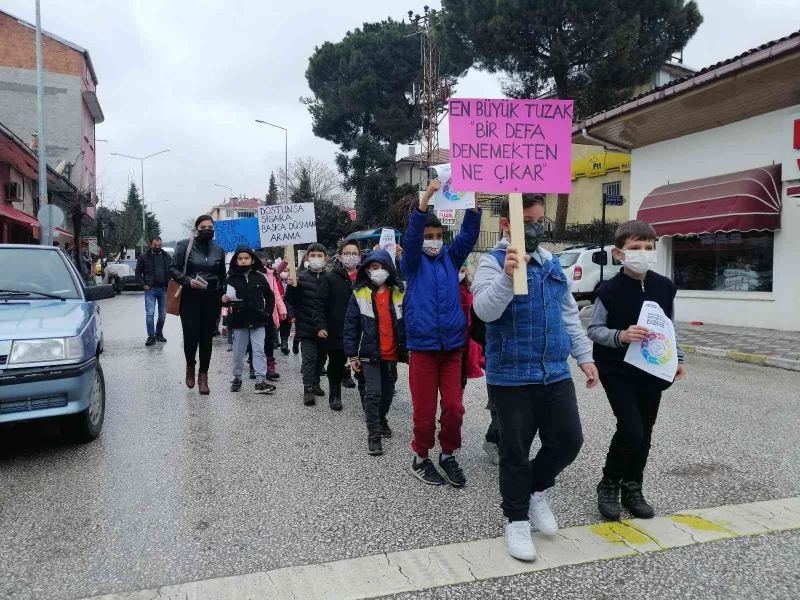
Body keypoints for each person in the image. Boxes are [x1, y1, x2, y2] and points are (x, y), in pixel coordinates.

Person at [472, 195, 599, 562]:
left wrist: (584, 356)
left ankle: (536, 491)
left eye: (540, 220)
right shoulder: (492, 262)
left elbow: (568, 314)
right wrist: (510, 277)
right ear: (507, 225)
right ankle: (516, 520)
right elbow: (485, 311)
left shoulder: (551, 263)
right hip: (511, 376)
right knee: (515, 453)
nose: (536, 226)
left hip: (555, 372)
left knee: (568, 440)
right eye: (527, 219)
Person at [587, 220, 686, 522]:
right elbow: (594, 329)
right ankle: (610, 483)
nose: (642, 253)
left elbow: (669, 327)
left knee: (645, 432)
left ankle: (634, 487)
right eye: (635, 248)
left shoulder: (664, 286)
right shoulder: (609, 289)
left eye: (648, 247)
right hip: (617, 370)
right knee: (631, 428)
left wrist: (677, 357)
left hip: (652, 370)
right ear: (619, 253)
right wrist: (621, 336)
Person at [401, 180, 481, 488]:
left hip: (451, 349)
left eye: (438, 236)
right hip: (422, 350)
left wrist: (473, 207)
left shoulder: (451, 258)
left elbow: (468, 236)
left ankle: (448, 454)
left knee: (453, 408)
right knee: (423, 413)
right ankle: (421, 456)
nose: (434, 241)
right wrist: (425, 202)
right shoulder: (412, 264)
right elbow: (410, 240)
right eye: (428, 237)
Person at [344, 250, 406, 456]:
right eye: (373, 267)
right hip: (369, 353)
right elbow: (351, 325)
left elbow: (408, 322)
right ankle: (373, 435)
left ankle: (381, 419)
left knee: (388, 394)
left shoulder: (399, 292)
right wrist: (352, 354)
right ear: (367, 271)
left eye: (382, 267)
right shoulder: (359, 294)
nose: (378, 271)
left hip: (392, 354)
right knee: (373, 394)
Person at [170, 215, 226, 395]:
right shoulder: (184, 246)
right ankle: (190, 366)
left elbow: (223, 276)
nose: (208, 229)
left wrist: (222, 293)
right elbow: (173, 269)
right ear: (196, 228)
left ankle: (203, 376)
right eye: (204, 226)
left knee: (206, 339)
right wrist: (187, 281)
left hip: (211, 300)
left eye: (210, 226)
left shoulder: (219, 249)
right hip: (190, 299)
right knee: (191, 337)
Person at [313, 241, 361, 411]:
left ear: (359, 256)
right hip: (336, 329)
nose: (351, 256)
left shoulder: (365, 277)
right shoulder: (331, 278)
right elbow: (319, 303)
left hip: (361, 330)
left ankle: (367, 398)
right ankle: (335, 395)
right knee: (336, 363)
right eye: (347, 253)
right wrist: (320, 325)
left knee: (362, 364)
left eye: (354, 253)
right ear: (340, 257)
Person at [223, 247, 276, 393]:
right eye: (240, 259)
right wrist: (224, 300)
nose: (243, 261)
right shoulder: (230, 279)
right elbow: (224, 299)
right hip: (239, 320)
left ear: (252, 260)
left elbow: (270, 297)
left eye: (246, 258)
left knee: (259, 350)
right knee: (239, 350)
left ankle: (260, 381)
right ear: (236, 261)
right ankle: (237, 377)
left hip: (258, 320)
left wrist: (267, 313)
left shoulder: (260, 277)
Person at [284, 243, 328, 406]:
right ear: (307, 258)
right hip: (306, 327)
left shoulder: (329, 279)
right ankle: (308, 388)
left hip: (324, 328)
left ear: (326, 258)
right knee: (309, 359)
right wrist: (292, 287)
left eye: (319, 255)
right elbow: (291, 300)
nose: (316, 259)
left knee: (321, 359)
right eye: (313, 255)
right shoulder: (300, 277)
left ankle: (316, 381)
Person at [136, 236, 172, 347]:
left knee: (162, 315)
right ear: (150, 245)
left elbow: (172, 271)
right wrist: (144, 285)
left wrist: (171, 284)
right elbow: (138, 273)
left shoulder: (166, 257)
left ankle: (159, 334)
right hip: (150, 290)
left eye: (159, 245)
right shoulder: (143, 257)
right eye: (155, 245)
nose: (158, 247)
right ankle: (151, 336)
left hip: (164, 290)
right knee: (150, 314)